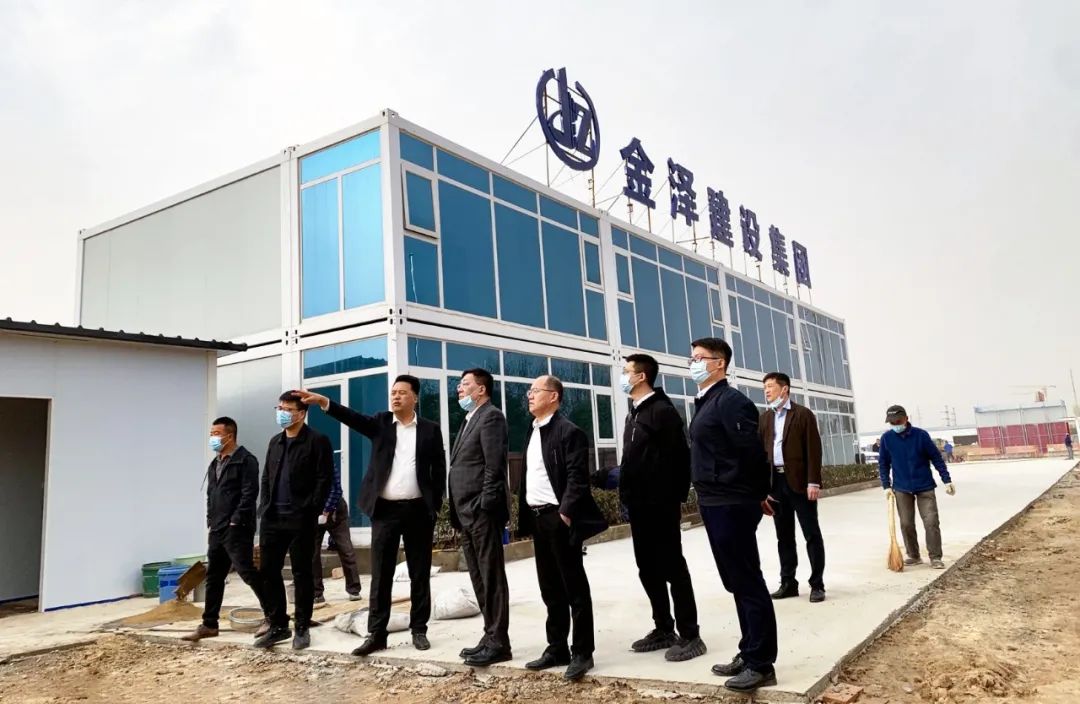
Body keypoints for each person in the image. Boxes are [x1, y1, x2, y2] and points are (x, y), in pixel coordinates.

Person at [294, 377, 446, 655]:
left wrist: (434, 505)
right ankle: (377, 634)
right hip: (385, 511)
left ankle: (419, 629)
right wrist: (324, 402)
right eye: (393, 392)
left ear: (415, 398)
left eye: (402, 393)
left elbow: (439, 468)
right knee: (381, 574)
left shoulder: (430, 429)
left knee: (419, 573)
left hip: (417, 511)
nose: (395, 397)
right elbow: (352, 418)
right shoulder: (381, 423)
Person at [687, 337, 777, 692]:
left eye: (699, 358)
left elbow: (752, 454)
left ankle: (761, 663)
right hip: (713, 500)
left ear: (719, 363)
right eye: (691, 358)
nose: (693, 363)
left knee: (748, 580)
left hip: (731, 502)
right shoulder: (706, 401)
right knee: (736, 581)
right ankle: (749, 649)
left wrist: (758, 494)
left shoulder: (731, 402)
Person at [517, 375, 608, 681]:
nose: (529, 395)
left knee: (574, 588)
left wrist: (565, 514)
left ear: (553, 396)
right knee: (549, 588)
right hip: (537, 518)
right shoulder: (532, 430)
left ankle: (582, 652)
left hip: (558, 518)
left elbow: (577, 478)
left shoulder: (569, 432)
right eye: (529, 391)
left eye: (535, 391)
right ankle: (557, 647)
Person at [618, 354, 706, 661]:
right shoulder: (634, 413)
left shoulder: (662, 412)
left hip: (660, 505)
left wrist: (671, 499)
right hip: (638, 505)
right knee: (647, 568)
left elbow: (680, 459)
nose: (623, 376)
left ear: (641, 376)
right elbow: (633, 460)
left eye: (626, 371)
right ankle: (664, 628)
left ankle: (691, 634)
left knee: (672, 567)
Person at [254, 392, 334, 650]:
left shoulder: (317, 441)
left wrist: (312, 509)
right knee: (268, 571)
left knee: (302, 573)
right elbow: (266, 477)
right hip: (273, 517)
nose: (282, 413)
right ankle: (278, 625)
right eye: (279, 408)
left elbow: (324, 479)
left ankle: (301, 626)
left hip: (301, 517)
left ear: (301, 413)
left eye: (287, 409)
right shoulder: (275, 442)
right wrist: (264, 506)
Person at [182, 417, 266, 642]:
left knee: (247, 572)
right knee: (214, 576)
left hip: (237, 528)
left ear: (230, 435)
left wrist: (236, 520)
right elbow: (211, 494)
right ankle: (209, 624)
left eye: (217, 434)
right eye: (211, 434)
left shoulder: (245, 460)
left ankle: (273, 616)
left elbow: (249, 493)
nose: (213, 438)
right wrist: (210, 520)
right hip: (217, 528)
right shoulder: (215, 463)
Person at [449, 368, 512, 667]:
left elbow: (493, 466)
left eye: (465, 384)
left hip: (480, 512)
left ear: (482, 389)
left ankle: (499, 642)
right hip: (465, 513)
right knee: (478, 577)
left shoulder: (491, 417)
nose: (459, 389)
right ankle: (490, 636)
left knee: (491, 576)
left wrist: (484, 505)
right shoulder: (469, 419)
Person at [760, 372, 826, 604]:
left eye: (770, 386)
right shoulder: (765, 418)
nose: (767, 391)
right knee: (784, 536)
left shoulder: (803, 414)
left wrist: (813, 481)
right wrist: (763, 488)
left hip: (799, 483)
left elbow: (814, 450)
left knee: (811, 534)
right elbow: (760, 453)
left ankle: (817, 584)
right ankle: (788, 583)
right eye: (765, 387)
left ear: (785, 389)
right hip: (775, 485)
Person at [878, 405, 955, 569]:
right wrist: (886, 486)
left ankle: (935, 557)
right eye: (892, 423)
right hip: (901, 487)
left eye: (898, 421)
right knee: (906, 523)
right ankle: (913, 555)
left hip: (924, 485)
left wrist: (946, 480)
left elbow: (936, 458)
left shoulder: (921, 436)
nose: (895, 425)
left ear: (906, 419)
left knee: (931, 521)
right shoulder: (887, 439)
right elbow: (883, 464)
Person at [310, 456, 362, 605]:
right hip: (314, 512)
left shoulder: (326, 462)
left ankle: (354, 589)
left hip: (335, 511)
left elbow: (336, 489)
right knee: (312, 553)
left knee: (346, 549)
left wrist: (326, 511)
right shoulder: (302, 466)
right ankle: (316, 593)